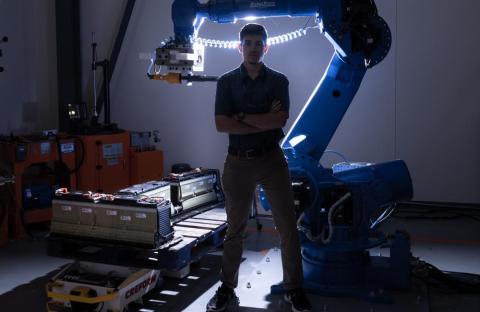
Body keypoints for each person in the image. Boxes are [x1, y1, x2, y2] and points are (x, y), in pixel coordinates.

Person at [206, 23, 312, 312]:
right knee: (235, 229)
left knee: (288, 227)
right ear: (240, 47)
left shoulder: (279, 81)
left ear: (266, 47)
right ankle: (227, 289)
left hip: (271, 160)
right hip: (238, 162)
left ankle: (294, 289)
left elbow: (279, 121)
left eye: (258, 43)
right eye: (248, 43)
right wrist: (261, 116)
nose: (253, 48)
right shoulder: (226, 82)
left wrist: (240, 116)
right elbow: (220, 124)